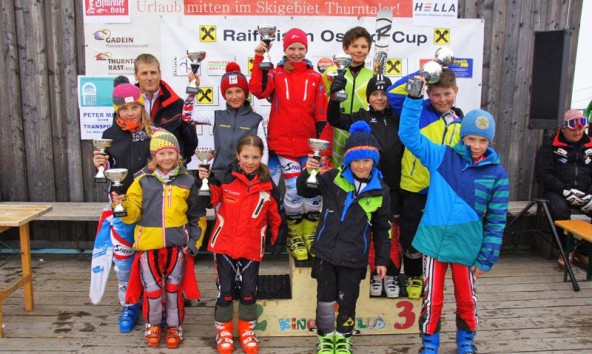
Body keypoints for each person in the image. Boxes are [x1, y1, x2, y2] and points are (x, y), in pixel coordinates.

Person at [399, 79, 509, 353]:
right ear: (462, 136)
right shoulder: (441, 156)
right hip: (433, 243)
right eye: (471, 138)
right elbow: (409, 136)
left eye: (483, 140)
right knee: (432, 298)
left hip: (467, 246)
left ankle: (465, 341)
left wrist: (487, 257)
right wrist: (413, 101)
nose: (476, 145)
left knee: (466, 299)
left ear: (490, 141)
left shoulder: (498, 175)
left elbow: (497, 220)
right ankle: (429, 343)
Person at [297, 121, 391, 354]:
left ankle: (343, 337)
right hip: (325, 253)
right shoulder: (331, 179)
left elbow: (382, 228)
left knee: (348, 299)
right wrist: (308, 172)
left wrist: (381, 259)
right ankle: (326, 337)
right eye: (356, 160)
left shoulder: (382, 190)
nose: (361, 165)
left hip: (354, 257)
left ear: (374, 161)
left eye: (366, 160)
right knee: (326, 299)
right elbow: (305, 190)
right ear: (348, 160)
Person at [113, 129, 205, 349]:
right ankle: (153, 324)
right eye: (161, 153)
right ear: (154, 156)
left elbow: (197, 217)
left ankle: (174, 325)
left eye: (171, 153)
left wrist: (193, 244)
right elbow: (132, 215)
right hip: (148, 246)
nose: (167, 158)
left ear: (178, 155)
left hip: (177, 247)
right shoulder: (141, 181)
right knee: (153, 290)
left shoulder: (187, 181)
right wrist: (121, 204)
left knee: (173, 290)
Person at [249, 28, 328, 261]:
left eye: (300, 48)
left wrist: (323, 147)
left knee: (314, 193)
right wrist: (258, 58)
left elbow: (321, 113)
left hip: (309, 146)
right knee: (293, 190)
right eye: (292, 48)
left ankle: (310, 234)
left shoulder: (315, 78)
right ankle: (294, 235)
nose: (296, 53)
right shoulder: (275, 74)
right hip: (283, 145)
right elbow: (258, 90)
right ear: (284, 49)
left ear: (306, 50)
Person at [198, 134, 281, 354]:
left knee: (248, 292)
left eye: (255, 156)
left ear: (261, 157)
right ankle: (223, 331)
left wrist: (276, 239)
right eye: (246, 156)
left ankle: (247, 330)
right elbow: (209, 201)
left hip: (252, 247)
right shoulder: (224, 178)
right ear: (237, 155)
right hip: (224, 245)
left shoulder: (268, 185)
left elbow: (275, 216)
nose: (250, 161)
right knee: (224, 292)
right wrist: (203, 181)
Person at [386, 68, 464, 299]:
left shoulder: (460, 119)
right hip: (415, 187)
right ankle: (413, 276)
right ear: (428, 93)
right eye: (437, 94)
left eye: (447, 94)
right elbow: (392, 94)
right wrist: (427, 71)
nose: (442, 100)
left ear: (456, 92)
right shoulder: (418, 110)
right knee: (411, 237)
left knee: (438, 238)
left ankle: (431, 277)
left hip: (445, 191)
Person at [328, 74, 404, 298]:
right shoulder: (361, 116)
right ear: (368, 96)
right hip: (369, 186)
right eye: (374, 94)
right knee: (368, 232)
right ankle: (374, 274)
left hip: (397, 187)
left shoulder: (400, 117)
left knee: (391, 232)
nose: (379, 98)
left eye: (383, 94)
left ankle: (390, 274)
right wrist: (334, 98)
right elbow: (334, 120)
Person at [89, 83, 153, 333]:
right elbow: (105, 173)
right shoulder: (108, 135)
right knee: (124, 261)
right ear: (116, 109)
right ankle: (129, 304)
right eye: (124, 108)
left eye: (134, 107)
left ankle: (154, 300)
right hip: (121, 206)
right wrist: (99, 164)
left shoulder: (154, 133)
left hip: (150, 206)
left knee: (152, 258)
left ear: (142, 106)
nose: (130, 112)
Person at [187, 62, 268, 176]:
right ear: (224, 95)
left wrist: (260, 176)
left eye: (238, 91)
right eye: (229, 92)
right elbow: (188, 117)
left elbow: (263, 151)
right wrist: (193, 90)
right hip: (219, 176)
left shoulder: (256, 120)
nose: (234, 97)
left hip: (245, 177)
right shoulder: (216, 116)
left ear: (246, 93)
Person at [538, 109, 592, 266]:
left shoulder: (590, 146)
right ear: (563, 128)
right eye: (573, 128)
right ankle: (564, 249)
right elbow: (543, 176)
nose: (577, 132)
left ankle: (583, 250)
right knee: (559, 210)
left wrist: (589, 195)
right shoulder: (550, 146)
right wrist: (565, 191)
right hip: (559, 191)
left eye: (581, 128)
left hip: (584, 191)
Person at [321, 26, 374, 167]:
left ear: (368, 50)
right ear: (345, 48)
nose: (359, 50)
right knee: (336, 172)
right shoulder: (331, 72)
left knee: (359, 169)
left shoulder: (372, 76)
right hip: (336, 129)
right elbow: (325, 98)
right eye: (354, 46)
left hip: (362, 129)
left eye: (364, 46)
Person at [134, 53, 198, 164]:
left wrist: (174, 164)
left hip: (170, 171)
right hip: (138, 171)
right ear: (136, 76)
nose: (149, 78)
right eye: (144, 73)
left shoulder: (177, 104)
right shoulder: (127, 105)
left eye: (153, 73)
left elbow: (191, 142)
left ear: (160, 74)